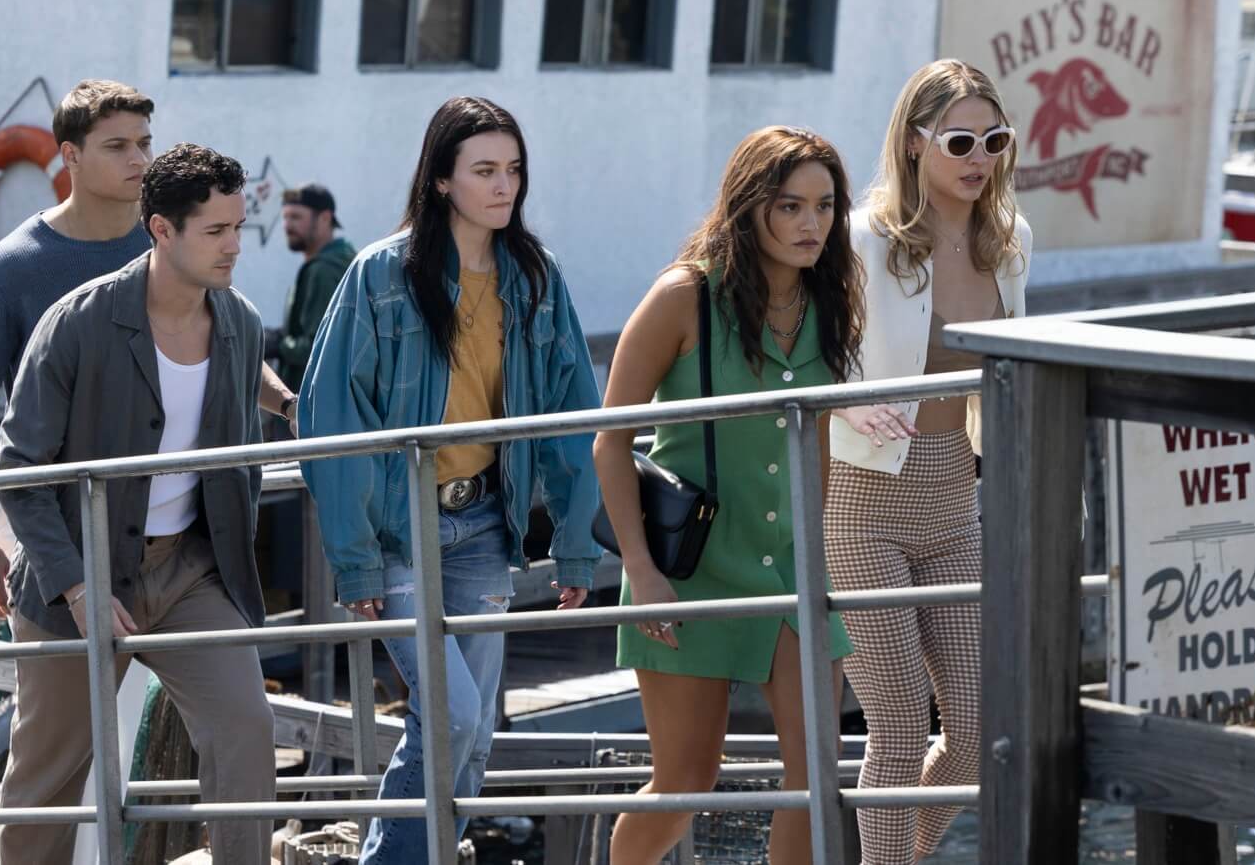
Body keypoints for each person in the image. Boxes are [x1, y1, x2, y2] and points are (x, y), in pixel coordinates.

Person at [298, 97, 602, 864]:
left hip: (484, 528)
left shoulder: (535, 278)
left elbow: (573, 416)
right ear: (441, 180)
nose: (504, 186)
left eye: (514, 169)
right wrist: (355, 558)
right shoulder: (380, 276)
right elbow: (331, 416)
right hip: (399, 532)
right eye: (484, 170)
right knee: (452, 717)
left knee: (474, 736)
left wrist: (575, 543)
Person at [0, 143, 275, 865]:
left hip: (191, 572)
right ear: (161, 230)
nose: (234, 246)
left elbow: (241, 457)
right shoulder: (76, 322)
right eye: (215, 231)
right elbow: (18, 468)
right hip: (74, 578)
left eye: (238, 228)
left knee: (246, 731)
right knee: (48, 782)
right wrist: (75, 585)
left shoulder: (241, 324)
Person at [595, 126, 862, 865]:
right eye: (790, 206)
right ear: (750, 207)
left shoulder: (831, 298)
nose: (811, 224)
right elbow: (611, 441)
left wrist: (822, 557)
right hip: (690, 572)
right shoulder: (684, 296)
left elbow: (820, 442)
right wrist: (642, 575)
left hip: (791, 570)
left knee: (816, 779)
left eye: (824, 206)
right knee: (686, 781)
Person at [0, 79, 298, 621]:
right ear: (70, 156)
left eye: (144, 142)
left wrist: (290, 406)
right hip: (48, 511)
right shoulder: (11, 268)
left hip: (172, 524)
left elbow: (225, 343)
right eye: (117, 146)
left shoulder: (171, 237)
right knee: (65, 672)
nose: (139, 159)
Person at [824, 58, 1030, 864]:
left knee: (979, 730)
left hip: (954, 497)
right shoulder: (863, 239)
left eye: (994, 140)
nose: (979, 158)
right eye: (959, 141)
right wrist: (845, 402)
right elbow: (806, 353)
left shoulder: (1010, 243)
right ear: (915, 143)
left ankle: (900, 858)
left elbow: (1019, 372)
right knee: (901, 725)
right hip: (864, 502)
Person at [275, 182, 356, 393]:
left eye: (296, 217)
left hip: (315, 397)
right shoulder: (340, 259)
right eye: (285, 217)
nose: (287, 225)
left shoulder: (324, 270)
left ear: (325, 218)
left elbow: (318, 346)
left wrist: (279, 345)